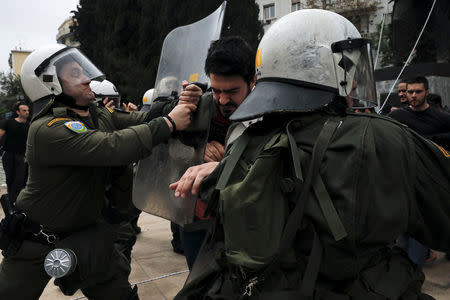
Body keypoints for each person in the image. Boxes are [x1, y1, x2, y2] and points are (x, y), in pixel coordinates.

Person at [173, 9, 450, 300]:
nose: (354, 80)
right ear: (331, 71)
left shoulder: (246, 142)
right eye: (349, 67)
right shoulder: (385, 136)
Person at [0, 44, 195, 300]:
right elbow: (110, 147)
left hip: (87, 234)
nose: (86, 79)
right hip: (36, 239)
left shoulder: (97, 113)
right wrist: (169, 123)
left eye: (83, 71)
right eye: (74, 73)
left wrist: (178, 103)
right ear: (49, 83)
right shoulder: (46, 129)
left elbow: (138, 121)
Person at [168, 36, 256, 269]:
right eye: (217, 91)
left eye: (232, 91)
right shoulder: (198, 107)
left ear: (253, 80)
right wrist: (198, 151)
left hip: (244, 221)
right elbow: (168, 149)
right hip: (198, 219)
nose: (223, 100)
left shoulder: (265, 112)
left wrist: (227, 162)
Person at [0, 101, 30, 206]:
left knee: (21, 178)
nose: (27, 112)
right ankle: (11, 201)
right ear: (18, 112)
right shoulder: (8, 122)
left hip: (22, 155)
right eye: (24, 110)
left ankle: (17, 201)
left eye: (27, 110)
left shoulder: (30, 125)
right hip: (8, 154)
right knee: (10, 178)